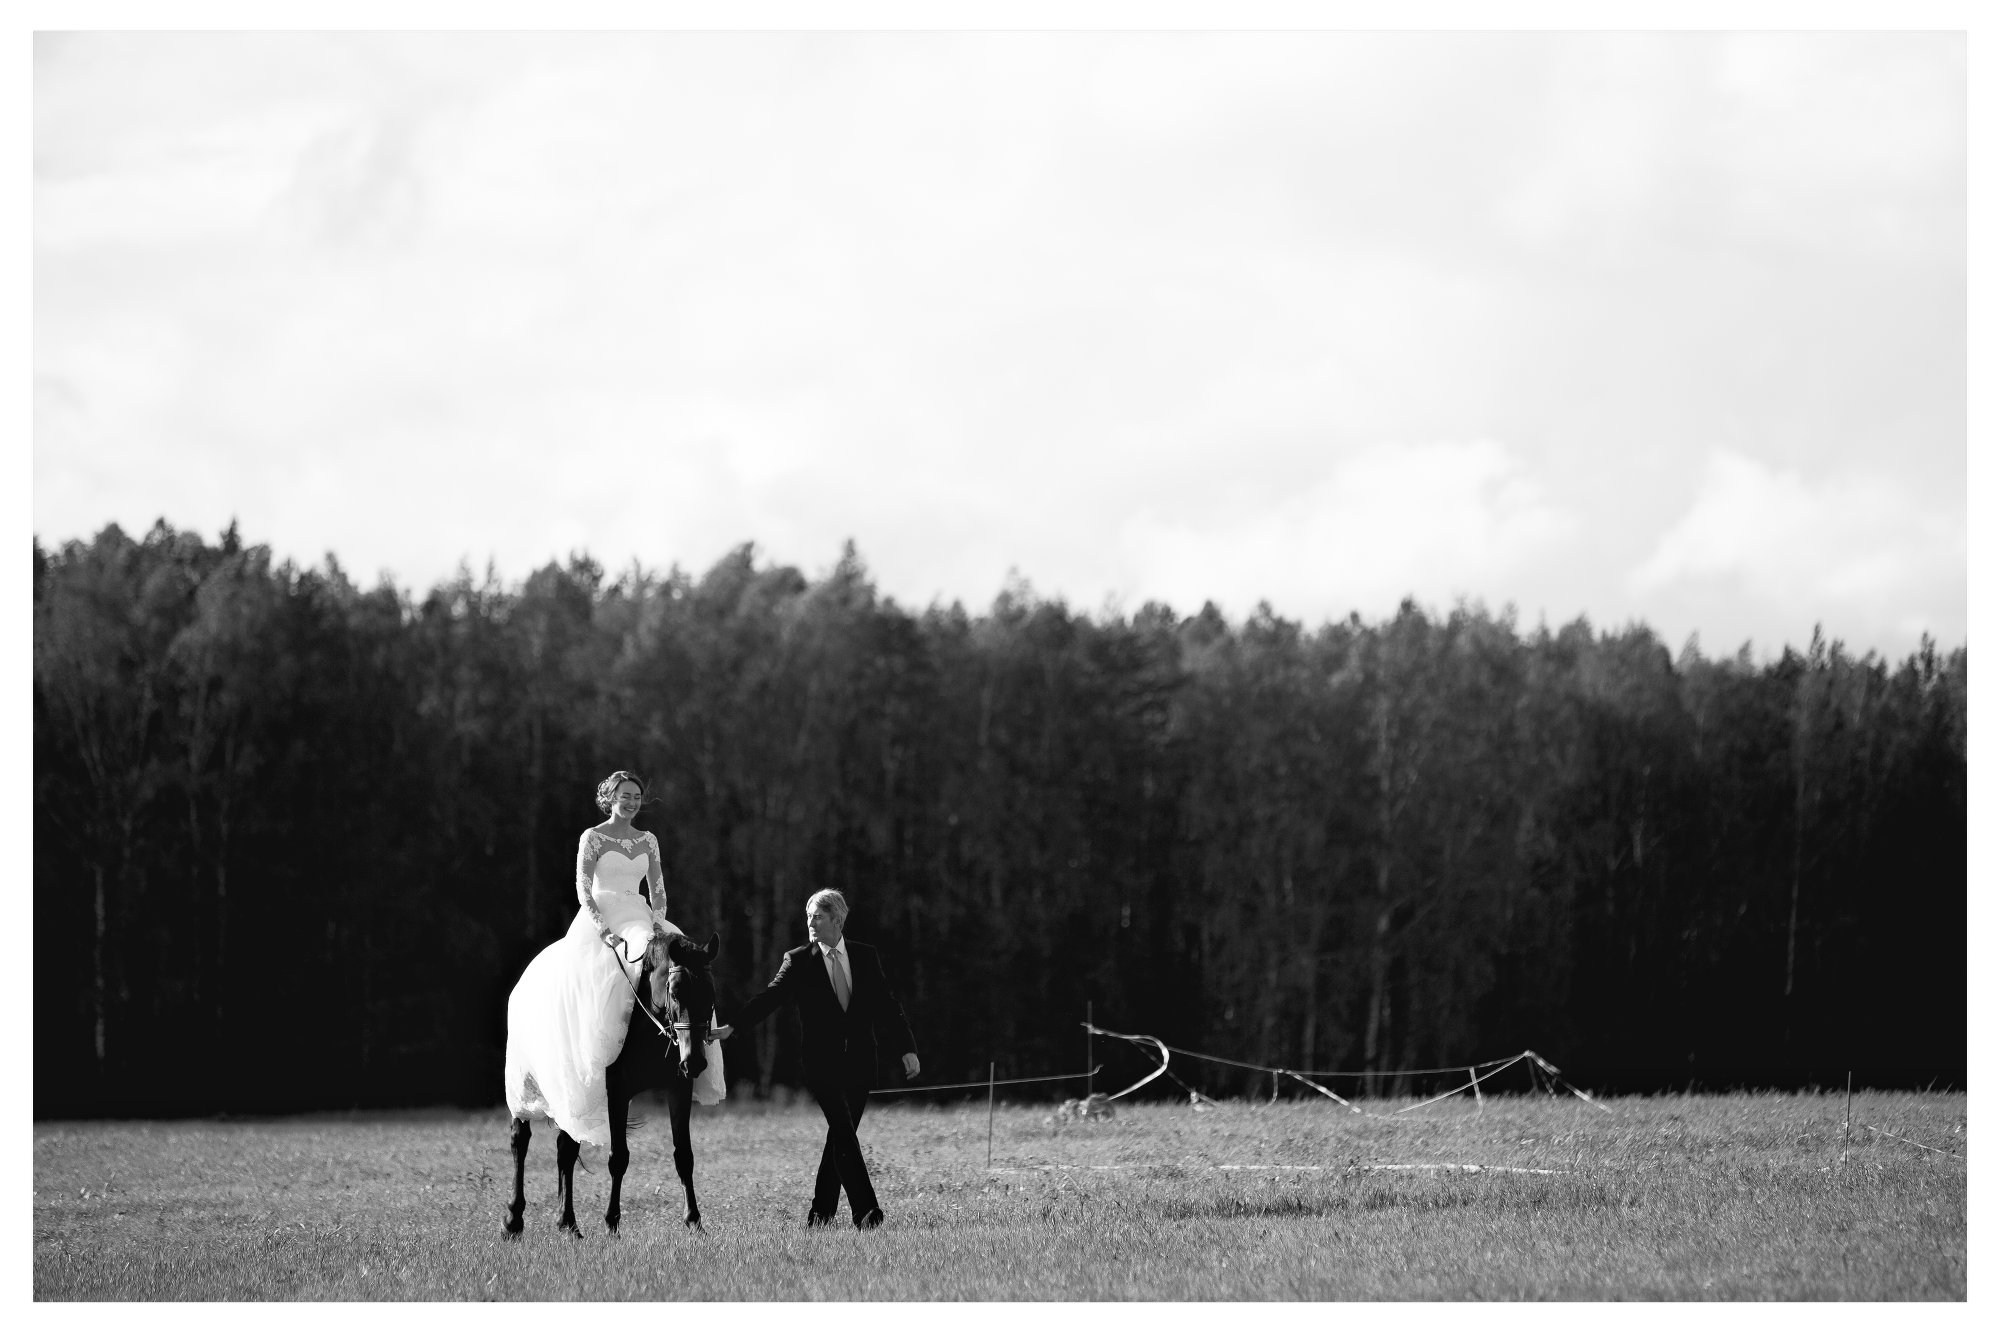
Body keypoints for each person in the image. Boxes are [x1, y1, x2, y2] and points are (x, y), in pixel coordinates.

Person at [504, 770, 725, 1147]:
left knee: (681, 964)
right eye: (625, 795)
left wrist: (657, 924)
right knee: (600, 977)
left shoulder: (648, 840)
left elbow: (657, 889)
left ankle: (691, 1046)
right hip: (602, 919)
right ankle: (599, 1054)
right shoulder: (593, 837)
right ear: (609, 798)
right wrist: (602, 928)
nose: (632, 801)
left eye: (637, 796)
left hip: (641, 916)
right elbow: (583, 887)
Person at [723, 888, 919, 1229]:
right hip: (821, 1065)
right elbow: (771, 996)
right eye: (808, 915)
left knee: (838, 1140)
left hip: (860, 1061)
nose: (810, 922)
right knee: (843, 1132)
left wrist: (907, 1047)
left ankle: (821, 1216)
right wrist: (735, 1026)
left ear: (837, 920)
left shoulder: (865, 956)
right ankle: (867, 1213)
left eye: (818, 916)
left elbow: (888, 1005)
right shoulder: (798, 960)